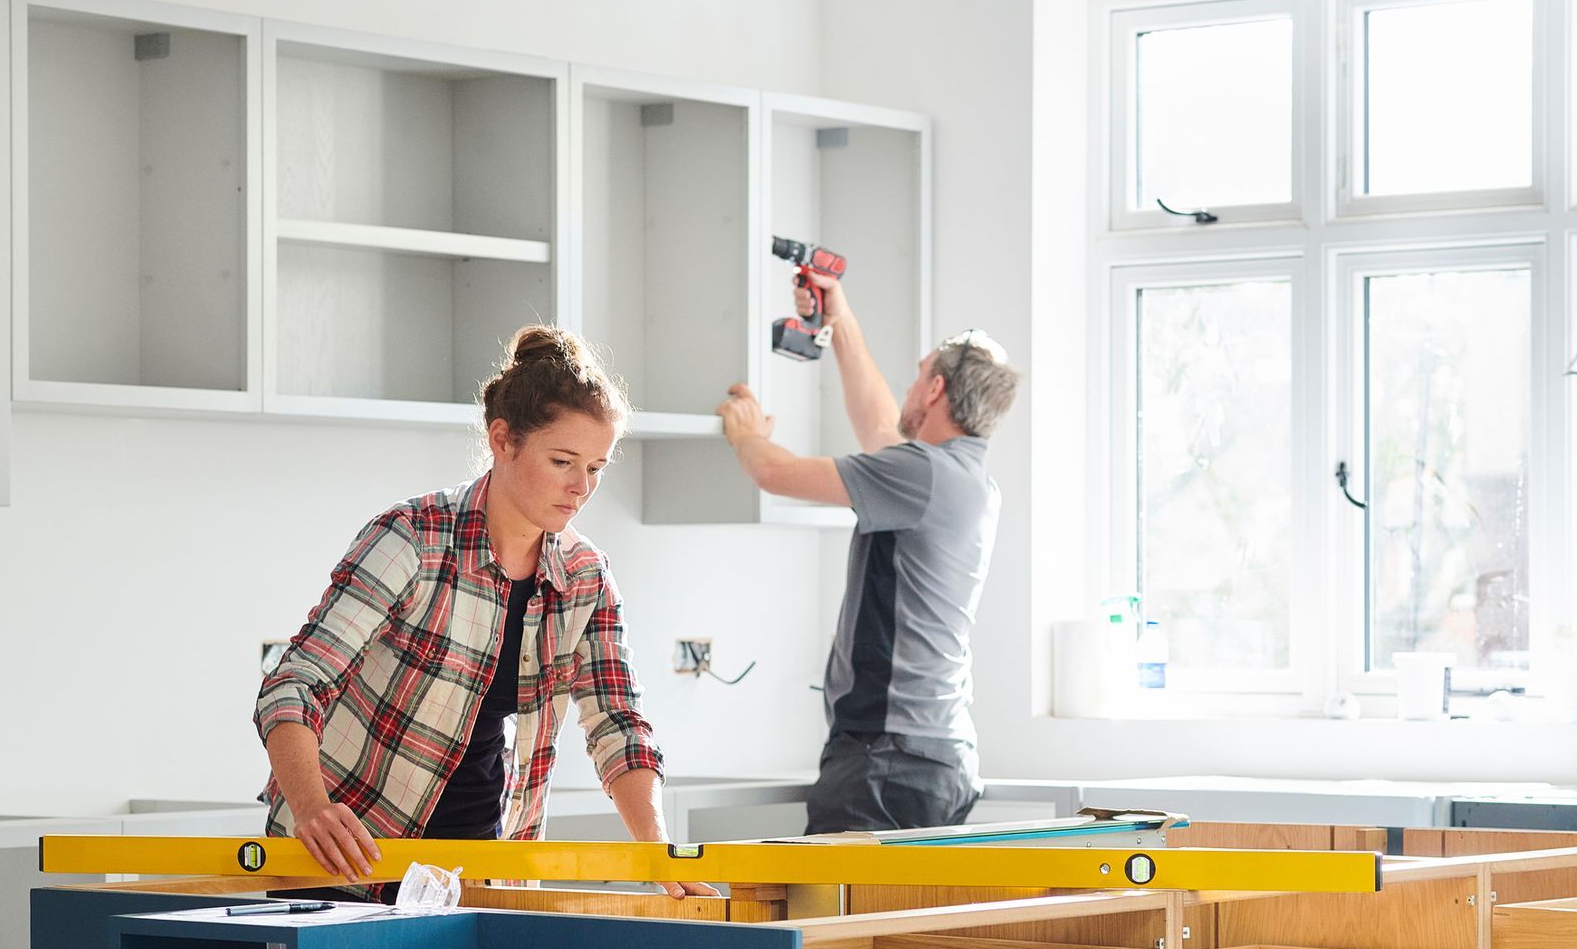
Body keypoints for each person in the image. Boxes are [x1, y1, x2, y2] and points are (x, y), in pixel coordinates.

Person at [255, 325, 716, 900]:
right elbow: (294, 685)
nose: (581, 487)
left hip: (474, 875)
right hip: (344, 863)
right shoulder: (414, 538)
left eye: (596, 468)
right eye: (563, 461)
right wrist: (312, 810)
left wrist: (658, 854)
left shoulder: (585, 578)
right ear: (503, 440)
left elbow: (618, 725)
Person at [717, 272, 1019, 833]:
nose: (909, 389)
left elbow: (775, 473)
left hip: (887, 760)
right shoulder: (960, 476)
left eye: (918, 377)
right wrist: (840, 318)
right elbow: (881, 425)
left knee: (832, 918)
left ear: (934, 392)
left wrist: (746, 432)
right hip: (931, 755)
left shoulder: (920, 473)